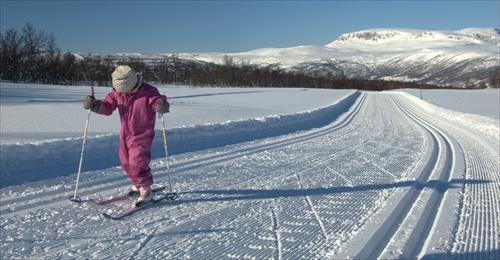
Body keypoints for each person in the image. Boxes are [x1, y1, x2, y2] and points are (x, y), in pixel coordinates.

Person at [83, 65, 170, 207]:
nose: (123, 92)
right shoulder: (117, 92)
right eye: (120, 90)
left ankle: (146, 191)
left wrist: (161, 105)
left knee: (137, 162)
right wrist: (94, 105)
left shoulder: (148, 91)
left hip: (143, 134)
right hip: (125, 133)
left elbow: (156, 102)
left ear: (133, 83)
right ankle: (137, 185)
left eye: (125, 89)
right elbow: (107, 107)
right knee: (126, 162)